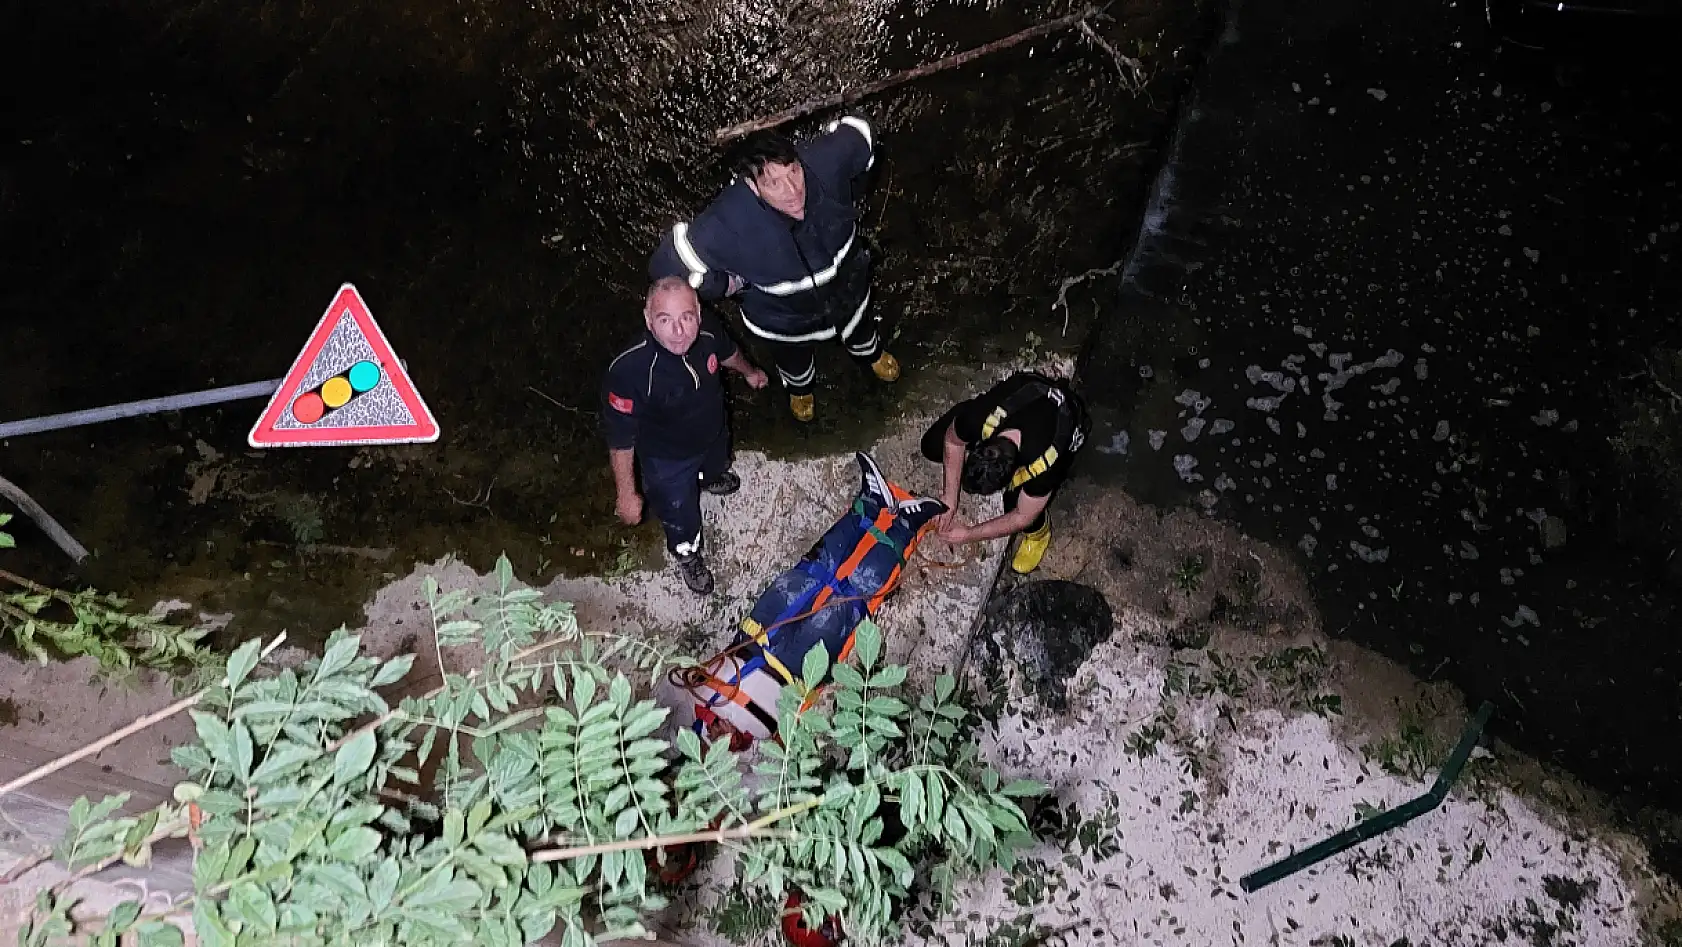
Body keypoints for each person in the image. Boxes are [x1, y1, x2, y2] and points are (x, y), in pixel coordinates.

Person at [649, 117, 900, 424]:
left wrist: (855, 191)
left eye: (793, 171)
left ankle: (870, 354)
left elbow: (863, 132)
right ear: (752, 186)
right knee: (793, 361)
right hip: (784, 323)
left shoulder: (825, 162)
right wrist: (725, 285)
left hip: (848, 291)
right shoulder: (730, 221)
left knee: (861, 328)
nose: (793, 191)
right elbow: (667, 263)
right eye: (773, 183)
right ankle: (800, 390)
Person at [603, 276, 769, 595]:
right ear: (649, 320)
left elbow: (728, 352)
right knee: (679, 514)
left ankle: (709, 478)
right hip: (668, 460)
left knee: (717, 464)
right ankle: (687, 553)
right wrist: (626, 492)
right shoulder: (631, 370)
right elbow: (620, 436)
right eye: (665, 320)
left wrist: (749, 372)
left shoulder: (708, 333)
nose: (678, 331)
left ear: (699, 313)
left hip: (712, 432)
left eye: (686, 317)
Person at [919, 371, 1091, 575]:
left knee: (1015, 504)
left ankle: (1039, 535)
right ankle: (966, 420)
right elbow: (952, 441)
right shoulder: (980, 418)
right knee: (932, 445)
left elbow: (1021, 517)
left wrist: (968, 534)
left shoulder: (1045, 463)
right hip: (1033, 390)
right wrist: (950, 497)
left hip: (1068, 422)